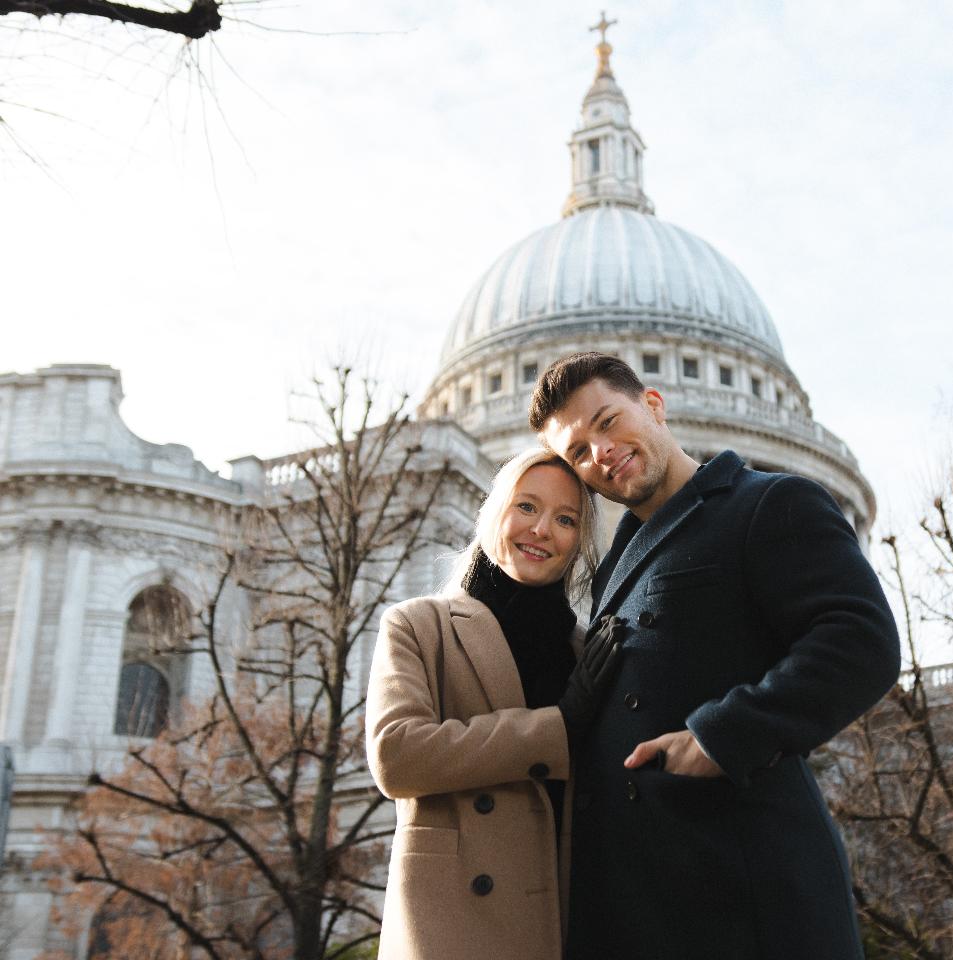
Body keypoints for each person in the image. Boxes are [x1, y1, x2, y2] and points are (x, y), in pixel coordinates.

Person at [529, 352, 901, 960]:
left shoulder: (769, 503)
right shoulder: (611, 569)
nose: (600, 452)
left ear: (653, 404)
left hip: (746, 891)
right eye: (577, 452)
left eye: (606, 421)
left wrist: (723, 735)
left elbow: (861, 639)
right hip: (640, 902)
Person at [365, 447, 623, 960]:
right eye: (526, 507)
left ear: (578, 544)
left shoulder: (584, 653)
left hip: (572, 922)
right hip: (460, 929)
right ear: (493, 513)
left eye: (566, 518)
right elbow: (396, 756)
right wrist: (558, 726)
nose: (542, 529)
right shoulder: (419, 625)